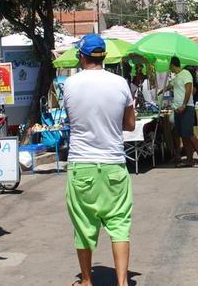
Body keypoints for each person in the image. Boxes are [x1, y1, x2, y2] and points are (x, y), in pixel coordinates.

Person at [63, 34, 136, 286]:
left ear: (81, 56)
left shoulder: (70, 84)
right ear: (103, 56)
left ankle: (85, 280)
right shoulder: (121, 84)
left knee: (84, 225)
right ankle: (122, 282)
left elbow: (72, 120)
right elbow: (130, 124)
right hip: (114, 162)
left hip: (81, 163)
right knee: (119, 224)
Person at [165, 56, 198, 167]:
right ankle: (189, 159)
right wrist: (161, 91)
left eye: (170, 66)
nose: (169, 68)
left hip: (186, 107)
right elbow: (170, 85)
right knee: (183, 135)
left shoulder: (185, 74)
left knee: (189, 134)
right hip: (177, 109)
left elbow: (188, 90)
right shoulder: (176, 77)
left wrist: (184, 105)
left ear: (173, 64)